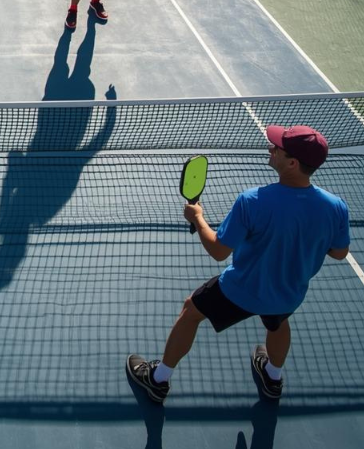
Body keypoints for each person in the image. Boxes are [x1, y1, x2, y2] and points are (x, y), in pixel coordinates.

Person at [127, 125, 350, 403]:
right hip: (288, 294)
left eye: (277, 148)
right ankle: (273, 376)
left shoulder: (253, 201)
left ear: (292, 162)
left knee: (191, 310)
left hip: (241, 290)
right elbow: (340, 252)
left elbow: (219, 251)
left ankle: (157, 379)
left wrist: (197, 218)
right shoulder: (336, 207)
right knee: (278, 324)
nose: (271, 149)